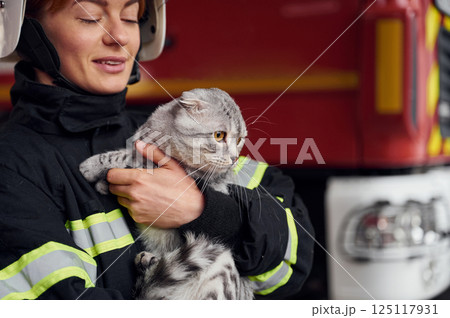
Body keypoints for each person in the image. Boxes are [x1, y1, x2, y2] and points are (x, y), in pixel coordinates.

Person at [0, 0, 314, 300]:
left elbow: (295, 257)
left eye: (130, 16)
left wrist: (204, 212)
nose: (120, 36)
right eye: (91, 17)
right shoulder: (13, 168)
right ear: (27, 31)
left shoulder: (178, 135)